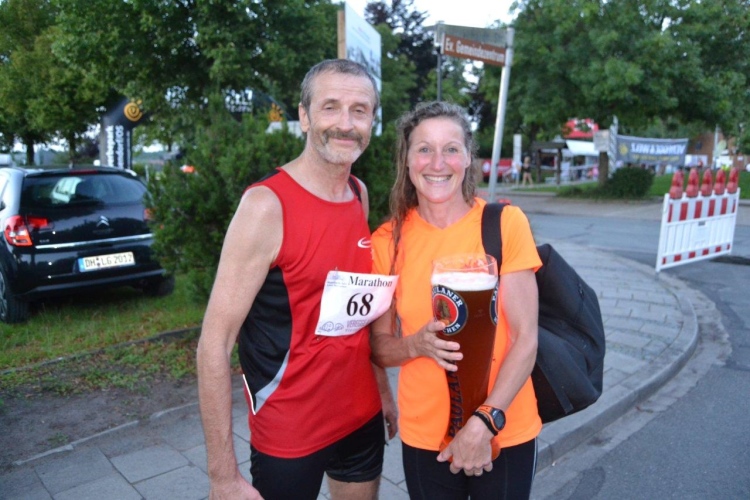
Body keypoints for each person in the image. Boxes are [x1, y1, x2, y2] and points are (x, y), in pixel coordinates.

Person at [196, 59, 398, 500]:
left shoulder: (358, 193)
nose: (346, 124)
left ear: (372, 121)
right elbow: (213, 343)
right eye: (330, 107)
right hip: (290, 430)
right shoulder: (266, 206)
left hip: (360, 414)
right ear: (305, 116)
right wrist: (222, 476)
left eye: (360, 110)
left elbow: (355, 311)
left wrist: (382, 386)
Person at [369, 101, 542, 499]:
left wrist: (484, 424)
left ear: (467, 158)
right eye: (424, 149)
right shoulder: (387, 242)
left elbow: (526, 339)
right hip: (426, 434)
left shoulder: (504, 224)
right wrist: (416, 345)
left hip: (504, 426)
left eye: (450, 149)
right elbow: (378, 348)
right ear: (407, 160)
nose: (437, 162)